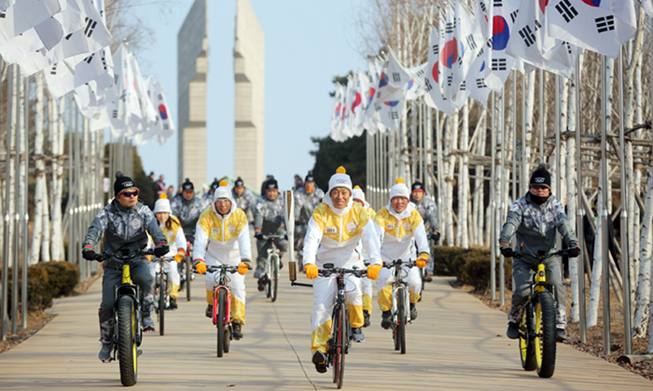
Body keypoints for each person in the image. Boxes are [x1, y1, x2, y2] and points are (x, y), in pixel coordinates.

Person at [82, 171, 169, 362]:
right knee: (106, 304)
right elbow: (95, 230)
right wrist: (88, 246)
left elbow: (155, 229)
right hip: (113, 262)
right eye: (127, 194)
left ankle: (146, 315)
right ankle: (106, 342)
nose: (132, 197)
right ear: (118, 196)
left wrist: (161, 244)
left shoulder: (143, 211)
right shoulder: (106, 213)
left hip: (138, 257)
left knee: (146, 278)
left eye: (134, 193)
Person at [303, 167, 382, 373]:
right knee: (322, 307)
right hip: (324, 265)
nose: (340, 197)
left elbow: (370, 238)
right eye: (336, 192)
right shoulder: (321, 211)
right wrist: (308, 263)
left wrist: (375, 263)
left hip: (351, 263)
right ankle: (319, 350)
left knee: (355, 293)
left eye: (344, 192)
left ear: (350, 194)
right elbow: (312, 238)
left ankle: (356, 324)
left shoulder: (359, 212)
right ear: (329, 193)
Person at [499, 164, 580, 342]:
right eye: (536, 187)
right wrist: (504, 242)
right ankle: (514, 320)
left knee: (557, 285)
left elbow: (564, 224)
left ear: (549, 189)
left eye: (544, 187)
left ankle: (559, 325)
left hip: (549, 256)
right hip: (524, 257)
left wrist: (572, 243)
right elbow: (511, 224)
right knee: (523, 291)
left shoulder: (556, 205)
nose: (540, 191)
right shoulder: (519, 205)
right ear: (530, 188)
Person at [193, 180, 252, 339]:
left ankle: (238, 320)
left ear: (231, 201)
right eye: (219, 201)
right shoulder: (207, 215)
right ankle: (211, 304)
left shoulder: (239, 215)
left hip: (235, 257)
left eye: (226, 201)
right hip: (214, 256)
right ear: (214, 202)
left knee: (237, 285)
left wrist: (246, 260)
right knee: (211, 279)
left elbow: (244, 239)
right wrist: (198, 259)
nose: (223, 205)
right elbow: (200, 240)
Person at [375, 178, 430, 329]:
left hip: (408, 257)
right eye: (396, 199)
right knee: (383, 281)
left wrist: (424, 253)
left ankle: (411, 305)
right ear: (391, 200)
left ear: (407, 199)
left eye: (402, 199)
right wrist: (374, 258)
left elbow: (421, 236)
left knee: (415, 283)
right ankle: (386, 312)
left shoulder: (414, 214)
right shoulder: (382, 214)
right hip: (386, 258)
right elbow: (376, 237)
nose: (399, 202)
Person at [151, 194, 186, 310]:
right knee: (150, 272)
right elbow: (146, 239)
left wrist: (180, 252)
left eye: (165, 213)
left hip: (170, 252)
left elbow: (181, 238)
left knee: (173, 271)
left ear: (169, 213)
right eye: (159, 213)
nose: (162, 216)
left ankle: (172, 296)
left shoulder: (174, 222)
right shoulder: (150, 223)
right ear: (155, 213)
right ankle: (150, 295)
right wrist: (146, 253)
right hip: (154, 252)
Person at [253, 178, 288, 291]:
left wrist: (288, 231)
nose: (271, 194)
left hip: (278, 231)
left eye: (274, 191)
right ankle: (262, 278)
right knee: (262, 257)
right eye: (269, 191)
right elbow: (258, 216)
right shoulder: (261, 201)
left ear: (277, 191)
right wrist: (258, 231)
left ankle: (278, 258)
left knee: (283, 244)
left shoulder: (282, 202)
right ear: (266, 192)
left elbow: (286, 217)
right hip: (263, 232)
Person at [352, 186, 376, 328]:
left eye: (358, 201)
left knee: (366, 283)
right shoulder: (346, 213)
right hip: (352, 255)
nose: (356, 204)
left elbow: (376, 236)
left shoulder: (371, 214)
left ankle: (366, 311)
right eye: (353, 201)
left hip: (366, 254)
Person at [410, 181, 440, 282]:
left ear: (423, 193)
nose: (417, 194)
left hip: (426, 230)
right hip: (411, 232)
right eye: (415, 192)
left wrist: (436, 230)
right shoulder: (408, 204)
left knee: (428, 249)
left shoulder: (429, 204)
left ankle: (428, 272)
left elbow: (433, 218)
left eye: (419, 192)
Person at [294, 172, 325, 264]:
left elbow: (323, 207)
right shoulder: (299, 193)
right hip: (303, 220)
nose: (309, 185)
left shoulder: (319, 193)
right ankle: (296, 244)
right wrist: (296, 218)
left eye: (310, 183)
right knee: (297, 231)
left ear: (314, 184)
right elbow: (297, 206)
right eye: (307, 183)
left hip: (316, 220)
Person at [171, 178, 209, 244]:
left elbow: (205, 218)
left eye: (190, 192)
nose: (188, 194)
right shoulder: (176, 202)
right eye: (186, 192)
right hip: (179, 231)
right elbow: (172, 216)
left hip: (195, 231)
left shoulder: (200, 203)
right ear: (182, 193)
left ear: (193, 192)